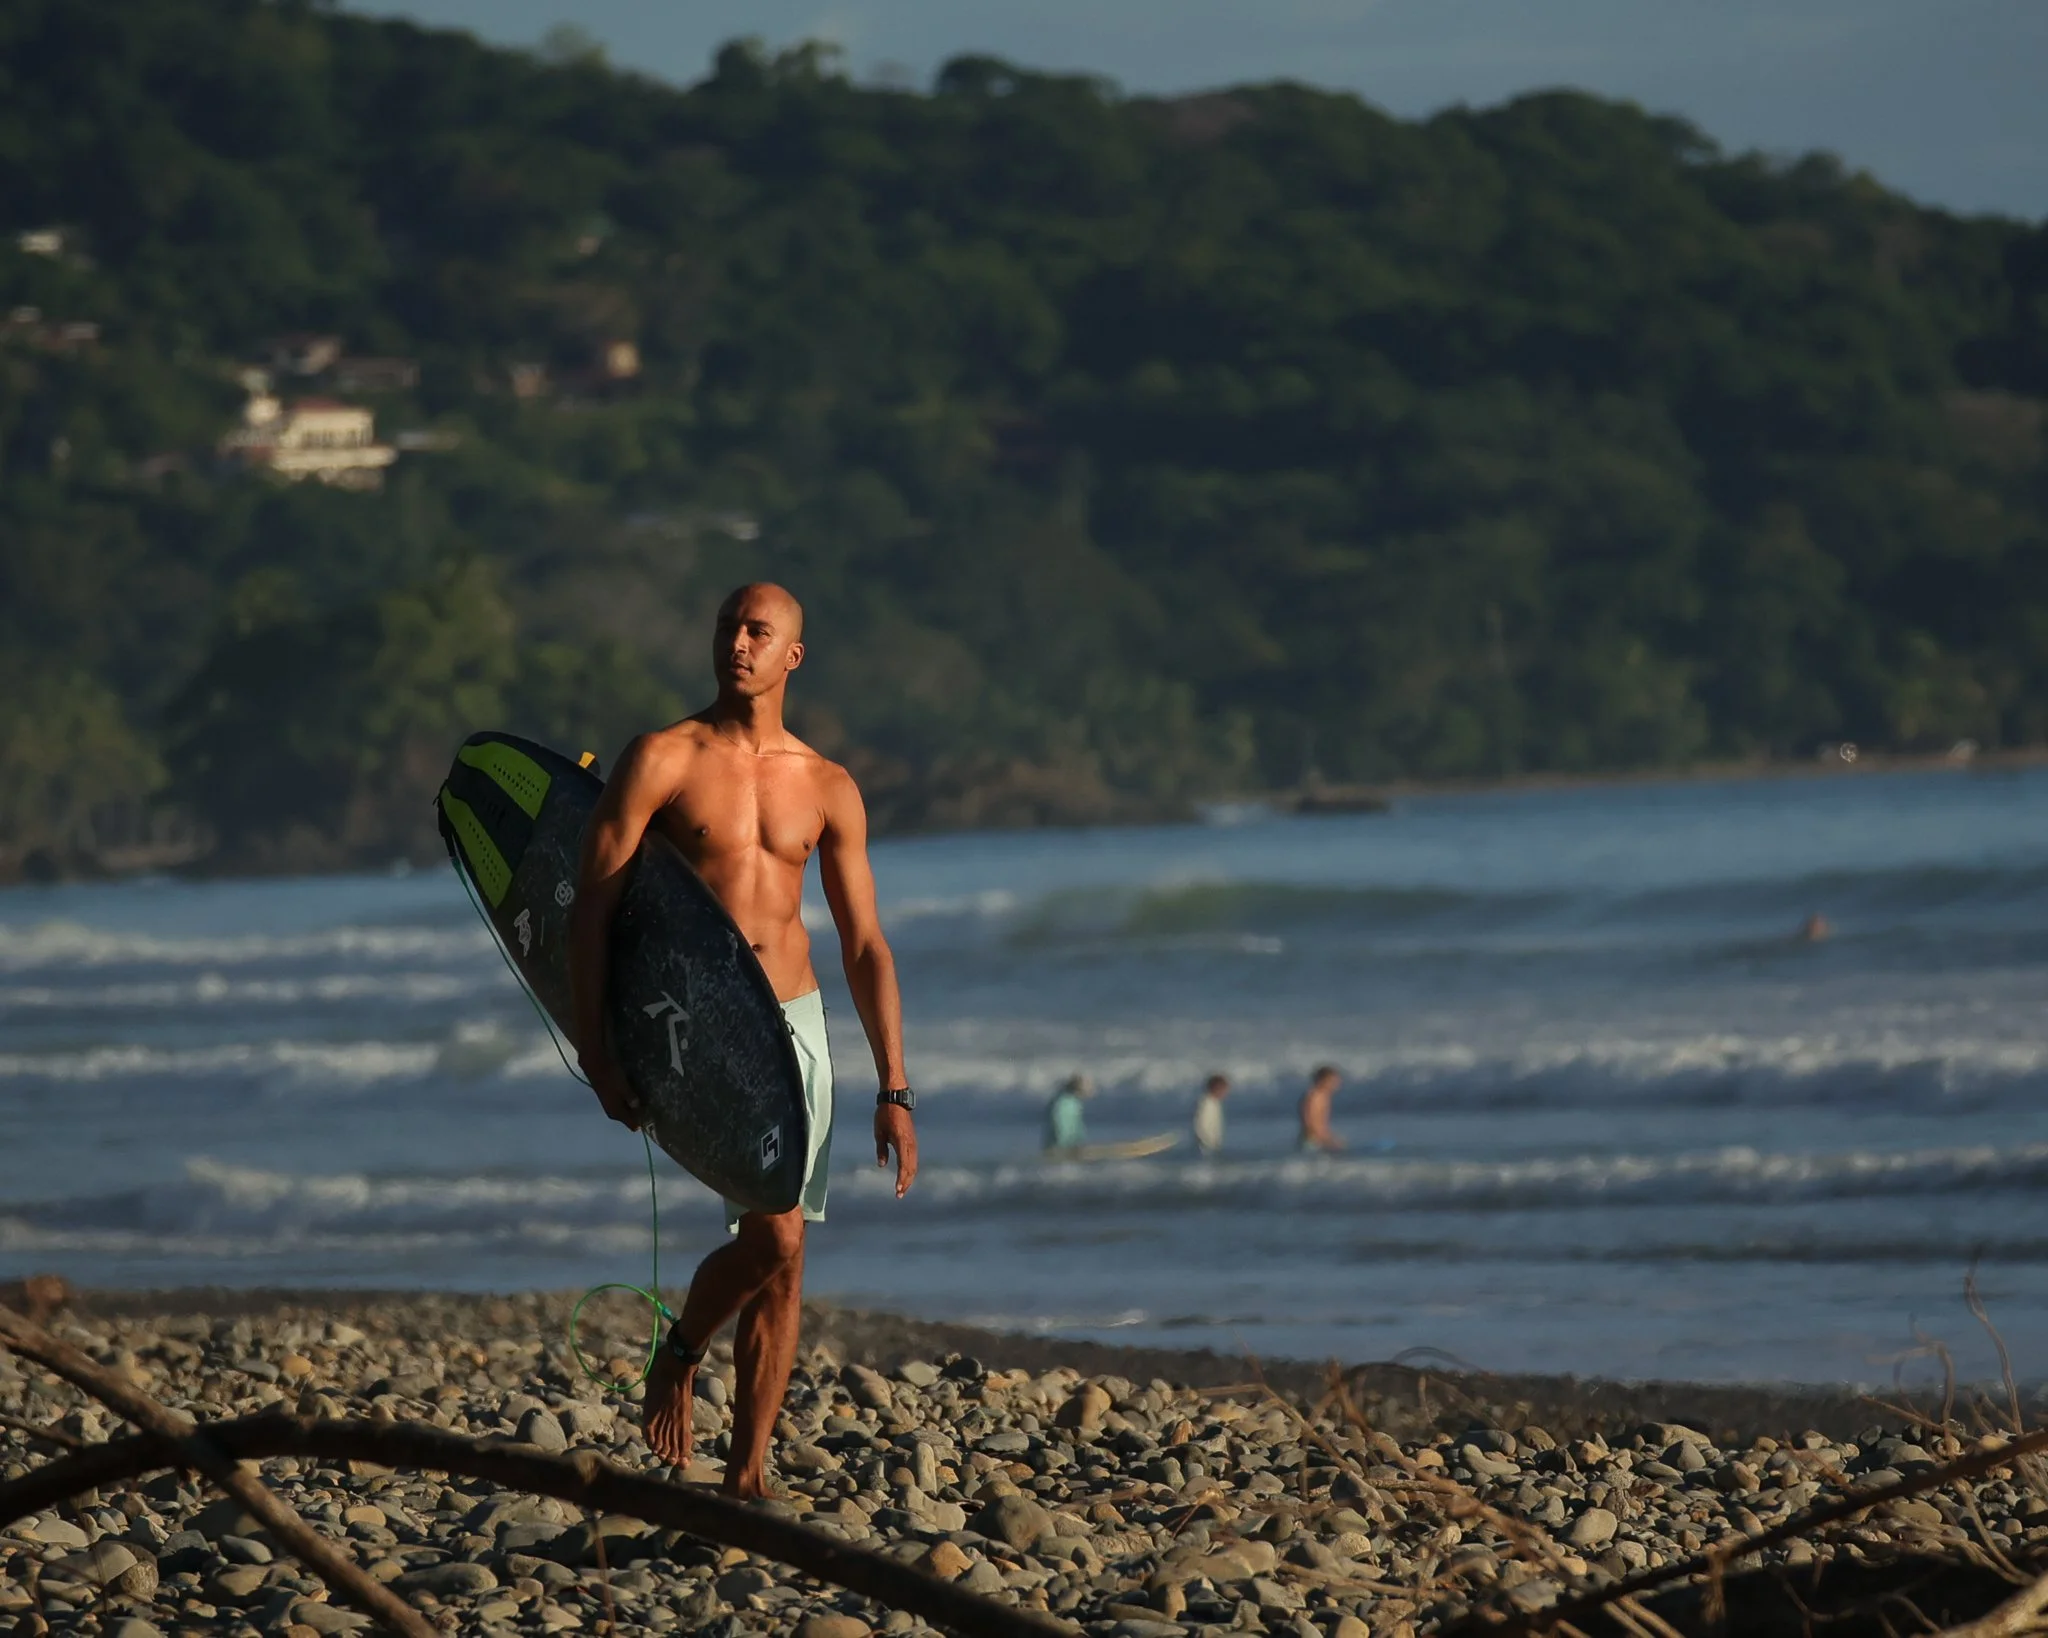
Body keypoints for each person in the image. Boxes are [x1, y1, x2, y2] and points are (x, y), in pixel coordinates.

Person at [568, 582, 918, 1498]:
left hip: (797, 1025)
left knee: (789, 1261)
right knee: (777, 1236)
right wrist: (597, 1048)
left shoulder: (828, 787)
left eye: (759, 632)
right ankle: (682, 1349)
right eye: (729, 626)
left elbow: (866, 943)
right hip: (705, 1024)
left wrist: (895, 1084)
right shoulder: (662, 758)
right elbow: (590, 907)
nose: (739, 643)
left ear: (792, 655)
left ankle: (747, 1474)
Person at [1298, 1064, 1343, 1152]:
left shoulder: (1324, 1096)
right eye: (1333, 1081)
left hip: (1319, 1138)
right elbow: (1309, 1121)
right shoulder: (1314, 1096)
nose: (1337, 1084)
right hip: (1312, 1140)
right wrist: (1326, 1139)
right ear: (1323, 1080)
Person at [1044, 1072, 1093, 1154]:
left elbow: (1077, 1126)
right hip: (1059, 1146)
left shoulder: (1075, 1102)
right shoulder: (1062, 1102)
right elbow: (1058, 1125)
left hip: (1070, 1145)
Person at [1192, 1073, 1230, 1155]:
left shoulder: (1215, 1103)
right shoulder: (1205, 1102)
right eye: (1224, 1090)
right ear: (1216, 1088)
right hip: (1205, 1144)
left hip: (1211, 1143)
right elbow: (1199, 1124)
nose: (1226, 1093)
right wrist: (1204, 1141)